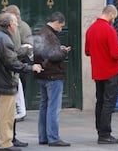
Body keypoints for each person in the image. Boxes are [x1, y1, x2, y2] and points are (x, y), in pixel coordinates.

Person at [0, 13, 43, 151]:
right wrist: (31, 67)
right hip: (5, 82)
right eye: (15, 23)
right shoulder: (5, 40)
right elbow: (12, 63)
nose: (16, 25)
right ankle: (5, 144)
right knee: (7, 115)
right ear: (10, 25)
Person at [85, 5, 118, 144]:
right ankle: (105, 133)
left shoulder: (91, 29)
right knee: (109, 103)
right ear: (112, 14)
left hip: (98, 71)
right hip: (111, 71)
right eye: (115, 16)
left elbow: (87, 51)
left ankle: (100, 131)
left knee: (100, 102)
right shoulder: (109, 30)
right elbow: (115, 53)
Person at [33, 12, 71, 147]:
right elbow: (54, 56)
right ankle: (53, 137)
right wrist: (64, 51)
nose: (61, 29)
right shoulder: (50, 36)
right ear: (56, 22)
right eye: (61, 26)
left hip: (42, 74)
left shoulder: (41, 32)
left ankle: (43, 136)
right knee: (53, 107)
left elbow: (44, 53)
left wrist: (58, 50)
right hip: (53, 76)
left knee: (44, 106)